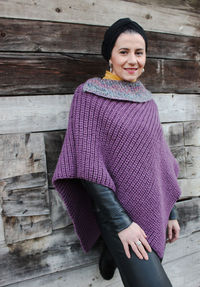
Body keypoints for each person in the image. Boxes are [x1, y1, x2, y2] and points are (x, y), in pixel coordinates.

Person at [52, 18, 181, 286]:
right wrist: (121, 224)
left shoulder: (146, 99)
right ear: (109, 55)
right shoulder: (88, 96)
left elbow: (160, 161)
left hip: (151, 207)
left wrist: (171, 213)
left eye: (139, 52)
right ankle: (110, 244)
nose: (133, 60)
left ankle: (111, 255)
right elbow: (88, 168)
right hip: (114, 214)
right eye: (124, 52)